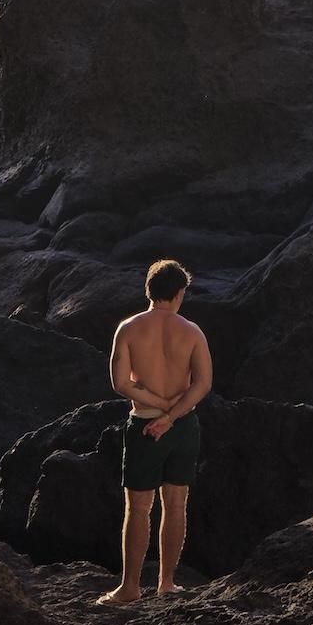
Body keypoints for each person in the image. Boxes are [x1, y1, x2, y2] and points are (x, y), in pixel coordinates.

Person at [96, 258, 213, 605]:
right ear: (179, 293)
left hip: (144, 424)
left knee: (138, 508)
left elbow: (120, 383)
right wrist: (172, 414)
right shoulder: (192, 332)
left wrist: (157, 406)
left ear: (148, 290)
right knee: (176, 503)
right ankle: (166, 583)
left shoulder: (128, 329)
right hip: (183, 426)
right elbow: (203, 384)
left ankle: (130, 588)